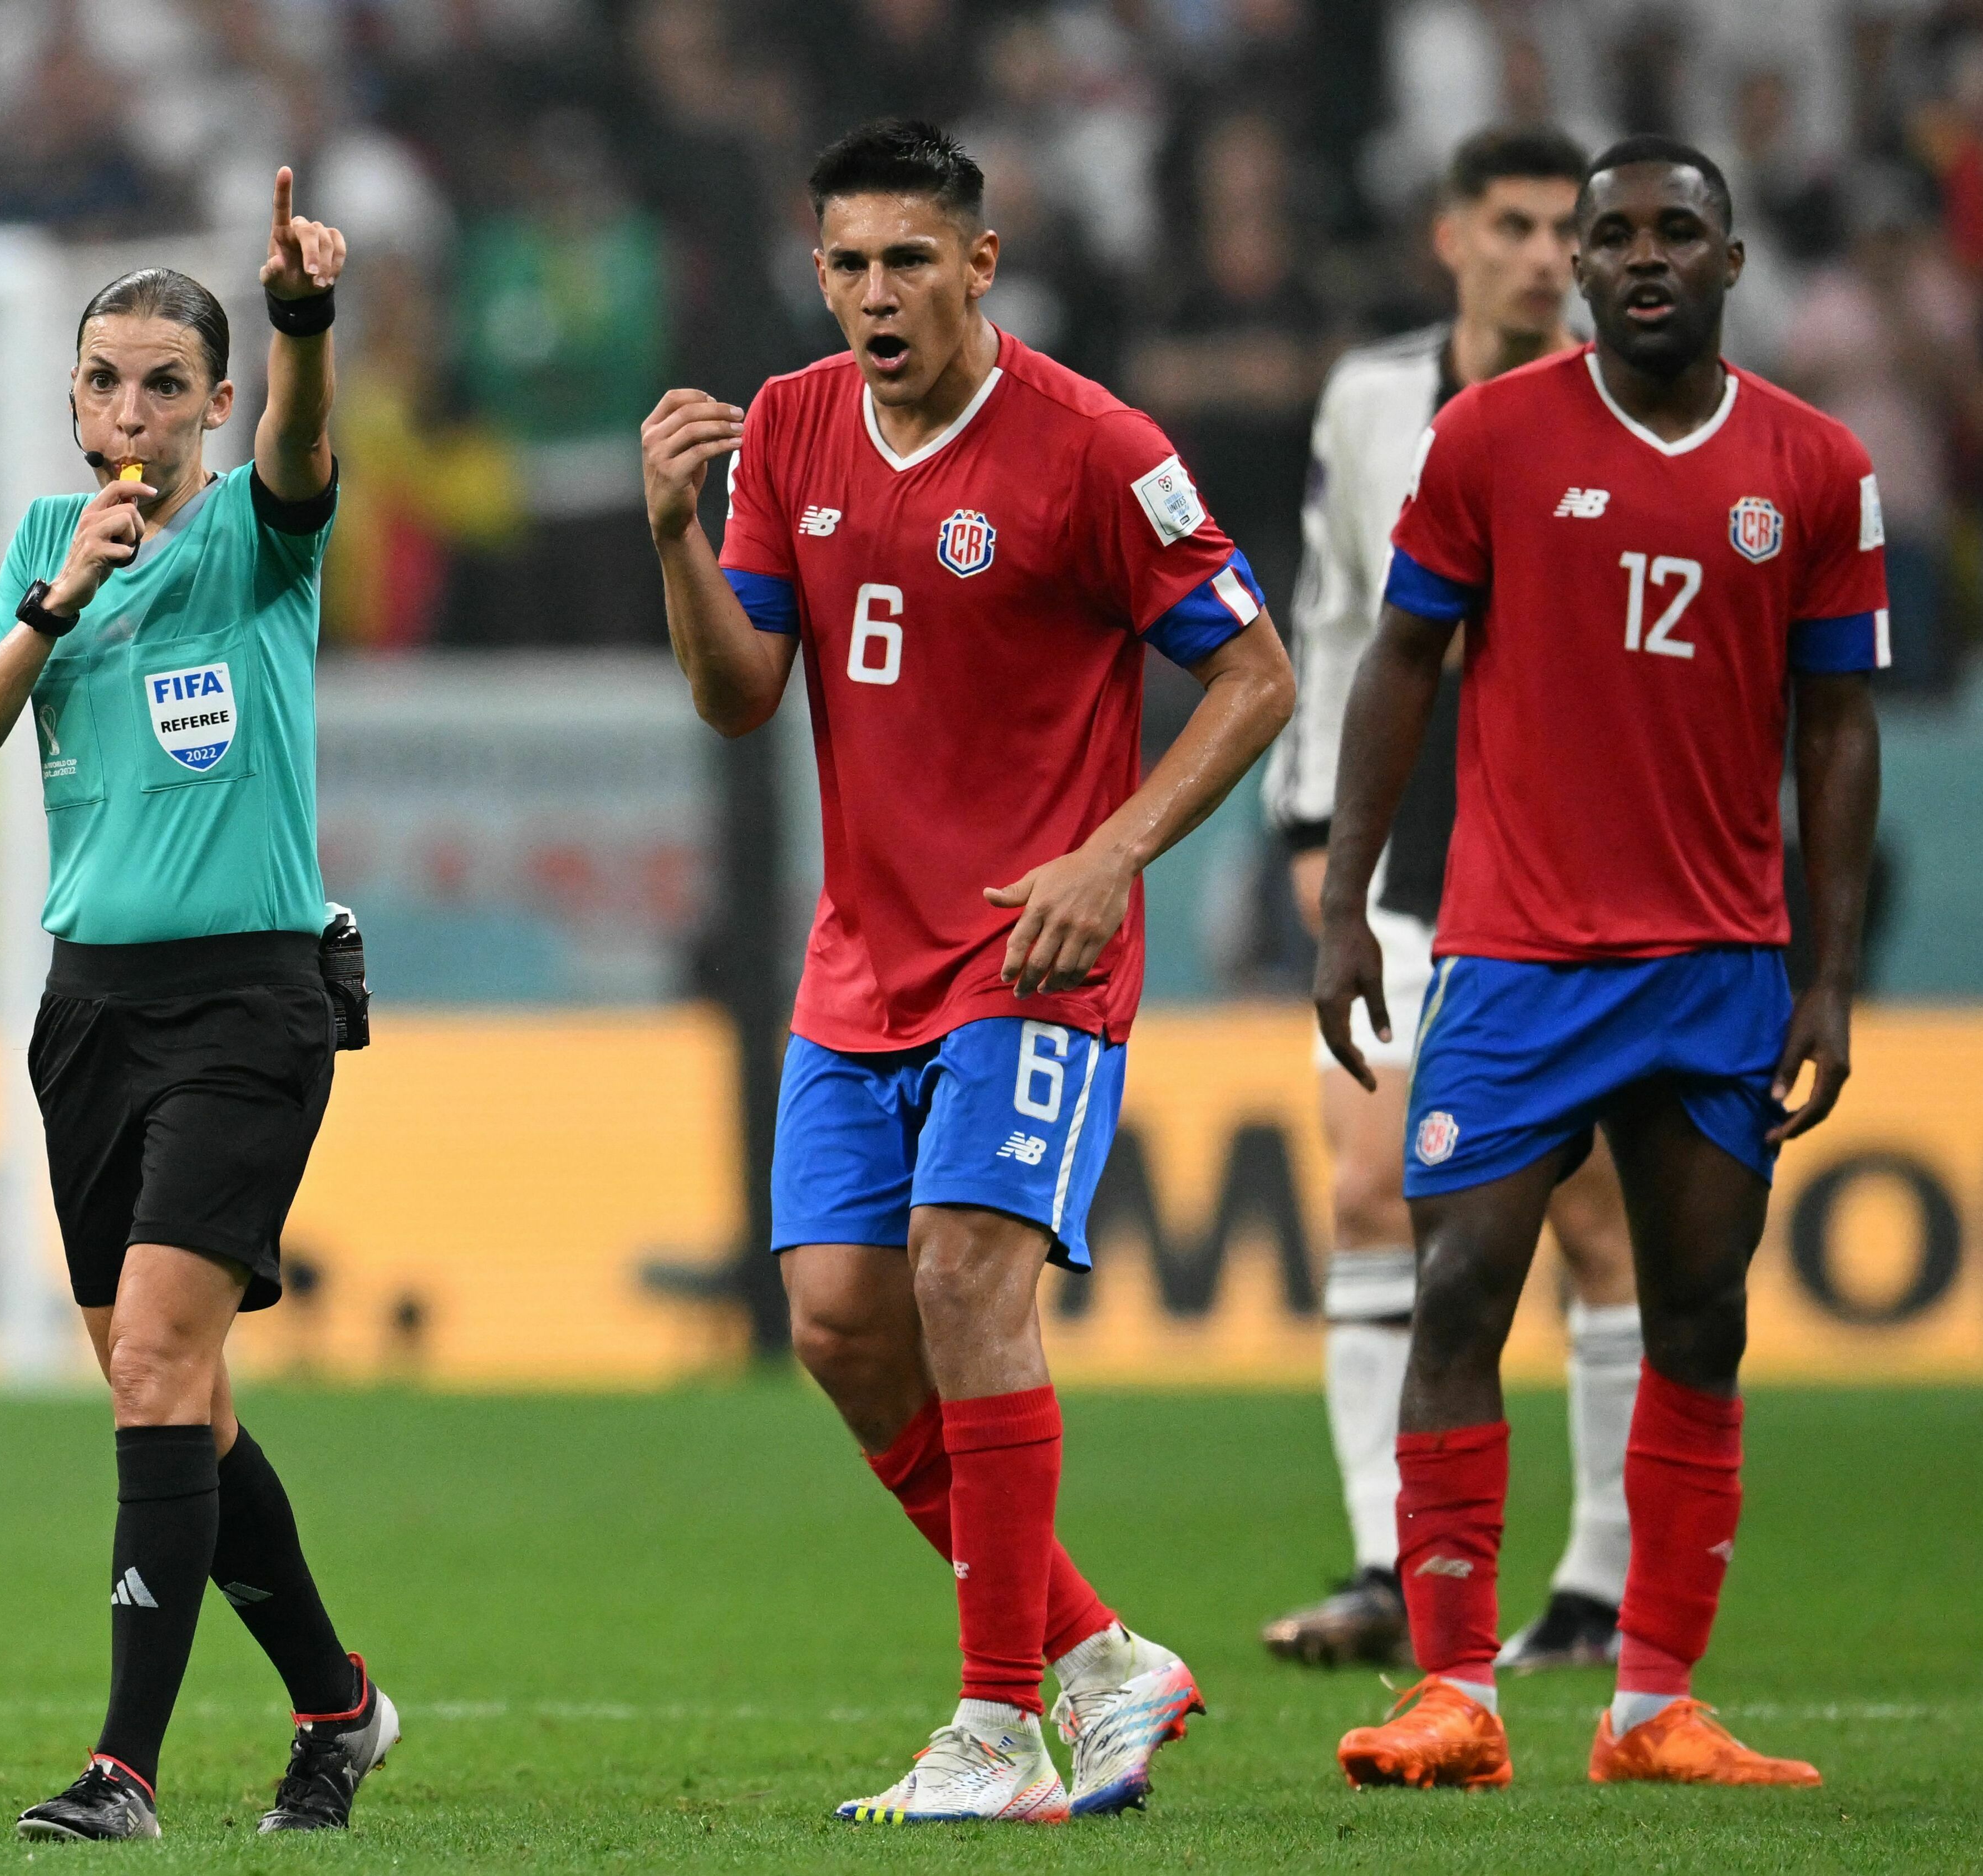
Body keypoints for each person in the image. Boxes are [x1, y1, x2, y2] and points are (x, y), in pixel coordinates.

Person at [641, 119, 1295, 1824]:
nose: (875, 293)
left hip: (1035, 952)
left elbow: (1257, 678)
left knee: (960, 1283)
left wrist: (1115, 852)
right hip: (859, 963)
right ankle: (1097, 1658)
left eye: (908, 261)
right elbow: (739, 695)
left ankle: (1000, 1727)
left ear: (978, 265)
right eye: (847, 264)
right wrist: (675, 542)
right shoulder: (786, 426)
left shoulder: (1096, 448)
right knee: (841, 1327)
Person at [1316, 136, 1882, 1791]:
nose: (1639, 255)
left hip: (1718, 962)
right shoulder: (1486, 438)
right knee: (1460, 1294)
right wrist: (1348, 899)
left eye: (1674, 231)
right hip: (1514, 955)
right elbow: (1398, 656)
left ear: (1731, 259)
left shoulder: (1818, 464)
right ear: (1576, 266)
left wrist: (1828, 977)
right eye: (1609, 233)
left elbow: (1839, 732)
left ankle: (1653, 1708)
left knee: (1701, 1317)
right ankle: (1453, 1690)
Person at [0, 173, 395, 1840]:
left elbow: (308, 441)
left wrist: (303, 323)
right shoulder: (50, 550)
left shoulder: (264, 540)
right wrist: (58, 606)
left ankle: (123, 1770)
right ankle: (341, 1707)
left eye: (165, 385)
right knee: (177, 1388)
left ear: (215, 404)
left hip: (248, 1008)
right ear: (72, 401)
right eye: (106, 382)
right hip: (90, 1016)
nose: (132, 413)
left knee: (153, 1370)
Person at [1260, 126, 1642, 1676]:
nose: (1547, 253)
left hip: (1580, 855)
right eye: (1517, 223)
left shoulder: (1630, 403)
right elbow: (1335, 612)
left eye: (1570, 228)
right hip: (1408, 845)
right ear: (1451, 236)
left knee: (1596, 1214)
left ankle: (1602, 1579)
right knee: (1366, 1187)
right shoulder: (1370, 401)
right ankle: (1383, 1563)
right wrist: (1310, 824)